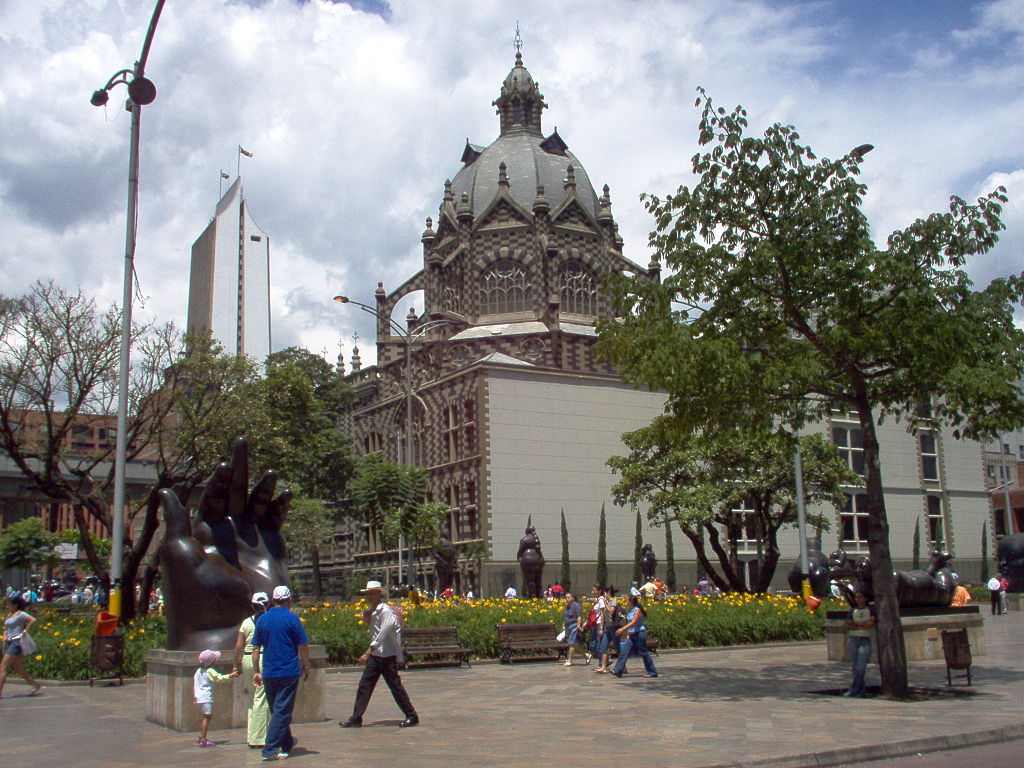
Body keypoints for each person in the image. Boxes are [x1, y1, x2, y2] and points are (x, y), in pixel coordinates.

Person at [340, 580, 418, 729]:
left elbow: (382, 634)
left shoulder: (386, 611)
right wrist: (368, 620)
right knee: (365, 685)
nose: (368, 596)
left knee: (395, 686)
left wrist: (368, 652)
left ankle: (412, 715)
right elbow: (375, 631)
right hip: (377, 656)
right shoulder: (374, 611)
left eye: (371, 593)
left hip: (388, 655)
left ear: (378, 594)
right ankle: (356, 717)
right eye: (367, 594)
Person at [252, 585, 311, 761]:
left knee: (277, 709)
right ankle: (269, 748)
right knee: (282, 710)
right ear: (289, 600)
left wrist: (256, 671)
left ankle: (286, 743)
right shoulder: (293, 619)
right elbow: (303, 645)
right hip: (288, 671)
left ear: (272, 600)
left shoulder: (262, 619)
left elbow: (256, 648)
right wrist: (306, 665)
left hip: (269, 671)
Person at [233, 592, 271, 749]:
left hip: (247, 659)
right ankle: (259, 738)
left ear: (252, 606)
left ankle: (252, 734)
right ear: (268, 604)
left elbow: (238, 646)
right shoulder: (268, 621)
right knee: (262, 699)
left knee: (252, 697)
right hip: (262, 658)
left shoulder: (246, 623)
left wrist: (236, 664)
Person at [194, 649, 238, 747]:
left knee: (205, 717)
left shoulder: (198, 671)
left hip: (199, 698)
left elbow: (196, 684)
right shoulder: (209, 671)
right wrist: (230, 675)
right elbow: (218, 678)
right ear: (211, 662)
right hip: (206, 697)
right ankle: (203, 739)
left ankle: (201, 736)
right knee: (207, 717)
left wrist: (195, 697)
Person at [0, 595, 42, 698]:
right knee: (18, 668)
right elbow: (7, 628)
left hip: (16, 643)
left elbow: (33, 620)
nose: (7, 606)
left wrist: (25, 630)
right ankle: (35, 685)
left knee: (3, 667)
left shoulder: (20, 614)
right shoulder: (10, 615)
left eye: (9, 604)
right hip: (9, 642)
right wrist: (5, 635)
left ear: (15, 605)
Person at [611, 593, 657, 678]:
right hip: (632, 635)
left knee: (644, 653)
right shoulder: (631, 611)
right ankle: (617, 670)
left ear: (630, 602)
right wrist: (628, 633)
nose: (627, 602)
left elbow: (633, 622)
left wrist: (622, 629)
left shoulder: (637, 610)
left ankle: (652, 671)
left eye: (628, 601)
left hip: (639, 634)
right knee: (624, 651)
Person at [844, 590, 876, 697]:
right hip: (853, 639)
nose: (858, 599)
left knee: (861, 667)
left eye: (860, 597)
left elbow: (870, 623)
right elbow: (848, 625)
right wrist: (861, 625)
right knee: (855, 666)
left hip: (865, 639)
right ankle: (861, 691)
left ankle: (854, 688)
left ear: (865, 598)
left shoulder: (870, 610)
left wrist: (857, 624)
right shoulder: (853, 610)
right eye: (856, 597)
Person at [593, 587, 620, 674]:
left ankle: (623, 667)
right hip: (608, 628)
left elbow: (611, 611)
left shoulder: (613, 601)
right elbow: (603, 615)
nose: (604, 595)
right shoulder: (607, 602)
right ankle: (603, 667)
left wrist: (605, 604)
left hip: (614, 627)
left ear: (608, 593)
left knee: (618, 648)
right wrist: (601, 628)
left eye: (605, 593)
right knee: (603, 647)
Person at [561, 592, 583, 666]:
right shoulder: (567, 606)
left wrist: (578, 626)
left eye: (568, 597)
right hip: (568, 626)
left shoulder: (576, 605)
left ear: (573, 598)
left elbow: (579, 616)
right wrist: (563, 625)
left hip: (574, 625)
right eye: (566, 597)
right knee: (573, 644)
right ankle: (586, 655)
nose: (567, 599)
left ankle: (569, 660)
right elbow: (566, 616)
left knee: (571, 643)